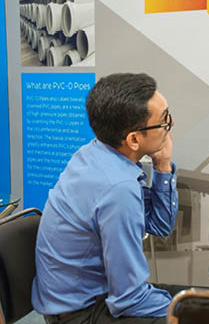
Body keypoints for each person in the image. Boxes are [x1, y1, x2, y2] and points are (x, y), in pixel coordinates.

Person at [32, 73, 186, 323]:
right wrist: (192, 312)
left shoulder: (95, 153)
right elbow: (129, 299)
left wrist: (163, 165)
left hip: (92, 297)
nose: (171, 125)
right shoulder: (117, 188)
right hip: (83, 313)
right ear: (134, 139)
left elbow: (160, 225)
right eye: (164, 120)